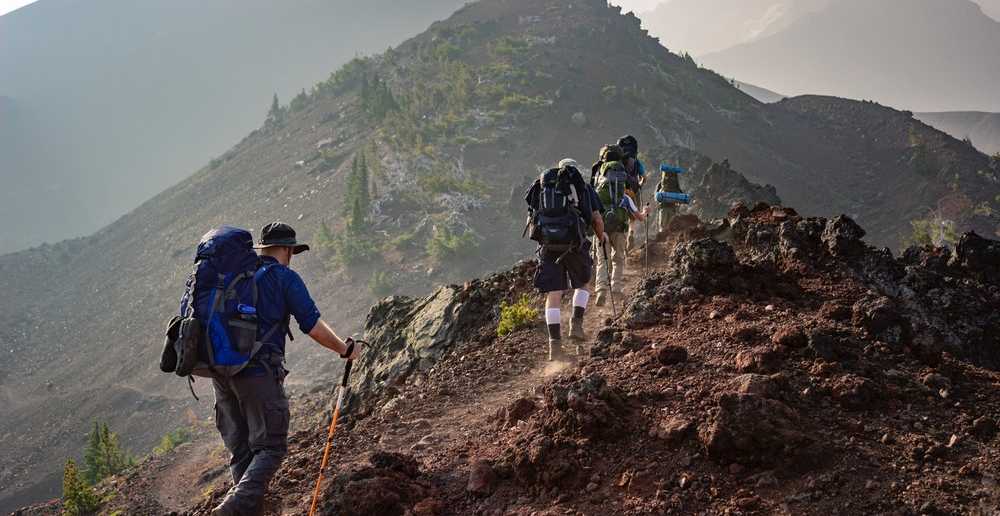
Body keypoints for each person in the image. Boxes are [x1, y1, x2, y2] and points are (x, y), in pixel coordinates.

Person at [211, 222, 363, 516]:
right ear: (288, 250)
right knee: (270, 448)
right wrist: (345, 349)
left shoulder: (236, 276)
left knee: (242, 452)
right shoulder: (284, 278)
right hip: (258, 373)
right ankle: (230, 510)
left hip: (221, 374)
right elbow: (312, 326)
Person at [525, 159, 606, 360]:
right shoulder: (583, 188)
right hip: (574, 245)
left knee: (553, 296)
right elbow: (596, 218)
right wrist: (601, 236)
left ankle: (555, 347)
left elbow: (531, 219)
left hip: (548, 247)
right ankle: (576, 324)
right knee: (583, 284)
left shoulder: (541, 188)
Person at [594, 159, 650, 307]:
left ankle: (601, 290)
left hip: (602, 232)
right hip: (620, 230)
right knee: (618, 260)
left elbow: (592, 215)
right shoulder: (625, 197)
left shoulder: (597, 194)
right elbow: (639, 217)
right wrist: (645, 212)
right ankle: (617, 289)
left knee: (602, 261)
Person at [617, 135, 647, 250]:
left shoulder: (616, 162)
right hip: (633, 191)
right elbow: (644, 177)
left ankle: (623, 237)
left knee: (620, 215)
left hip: (619, 191)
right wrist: (639, 184)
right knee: (633, 217)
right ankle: (631, 233)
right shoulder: (636, 161)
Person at [657, 162, 685, 234]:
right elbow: (681, 196)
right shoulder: (675, 184)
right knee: (671, 227)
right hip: (673, 208)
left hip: (663, 208)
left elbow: (656, 196)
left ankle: (662, 238)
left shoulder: (661, 184)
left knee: (663, 227)